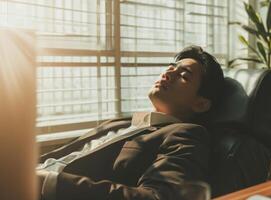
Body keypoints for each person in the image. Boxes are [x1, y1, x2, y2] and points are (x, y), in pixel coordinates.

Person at [37, 45, 224, 200]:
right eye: (171, 67)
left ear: (200, 104)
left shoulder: (188, 134)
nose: (169, 73)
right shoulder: (120, 124)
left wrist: (50, 182)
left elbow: (158, 197)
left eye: (184, 75)